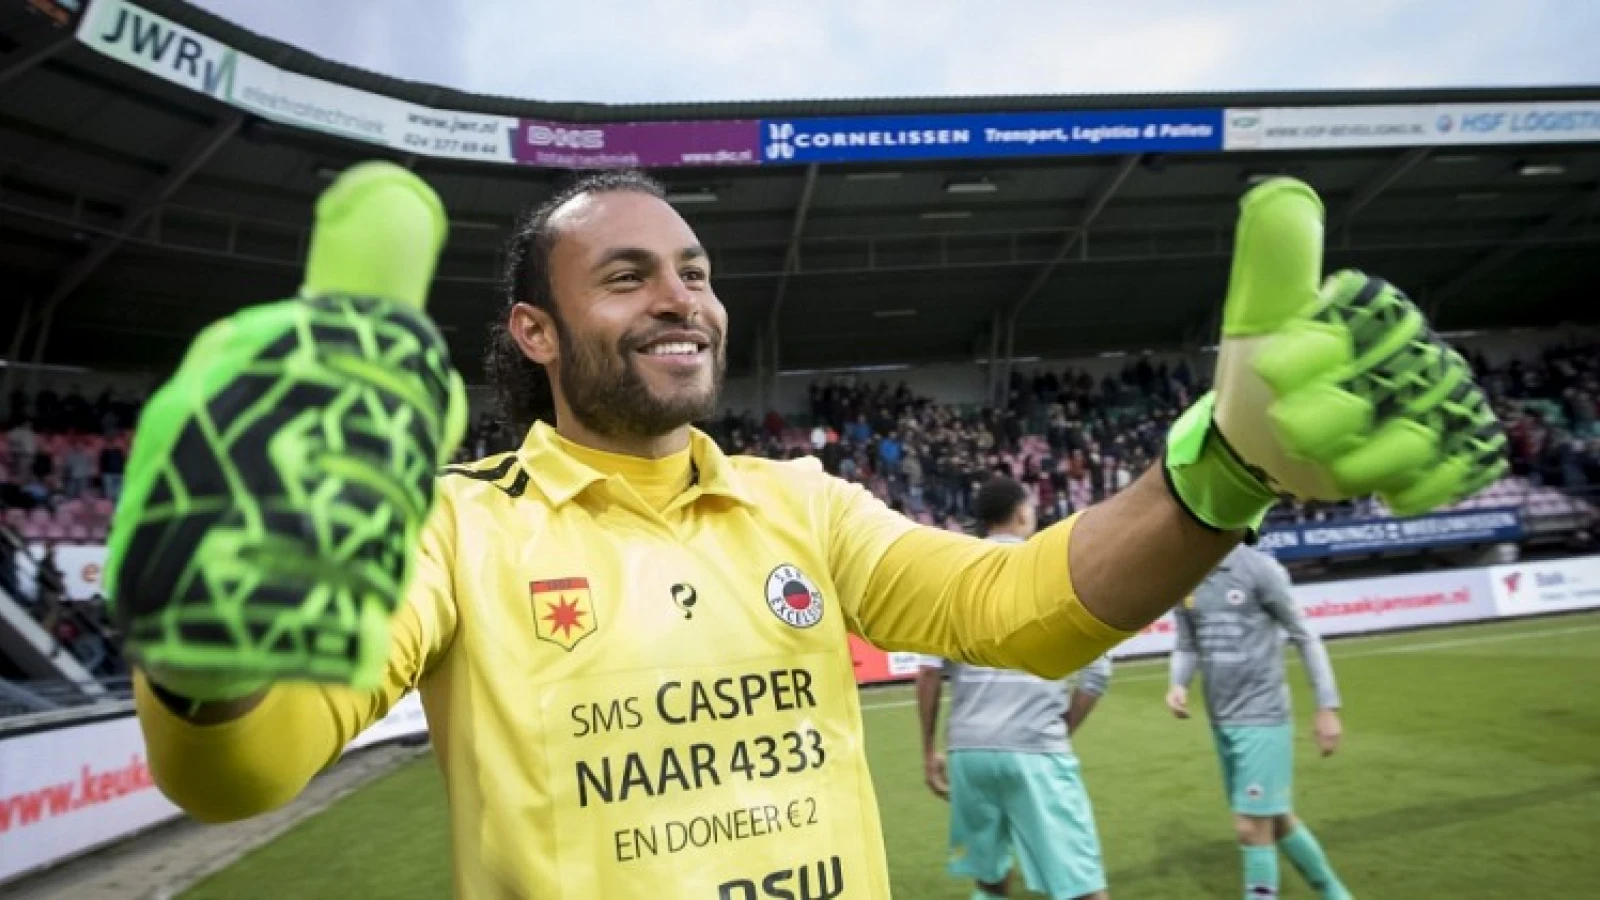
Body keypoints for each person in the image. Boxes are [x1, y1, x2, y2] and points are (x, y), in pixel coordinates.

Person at [105, 163, 1503, 899]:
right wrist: (206, 667)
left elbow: (1017, 605)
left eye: (698, 274)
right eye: (628, 275)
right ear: (532, 332)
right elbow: (245, 773)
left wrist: (1222, 472)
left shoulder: (798, 499)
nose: (682, 299)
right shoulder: (455, 527)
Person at [918, 475, 1112, 900]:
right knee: (1084, 889)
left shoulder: (953, 578)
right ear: (1023, 512)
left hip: (969, 751)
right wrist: (1063, 727)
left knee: (990, 880)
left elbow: (929, 671)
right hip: (1035, 747)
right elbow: (1097, 673)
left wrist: (929, 749)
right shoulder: (1052, 569)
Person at [1165, 546, 1352, 900]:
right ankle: (1336, 894)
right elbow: (1187, 643)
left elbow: (1304, 634)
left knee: (1251, 828)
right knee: (1277, 820)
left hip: (1263, 717)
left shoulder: (1259, 569)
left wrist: (1327, 706)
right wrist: (1178, 683)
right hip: (1222, 719)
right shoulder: (1184, 573)